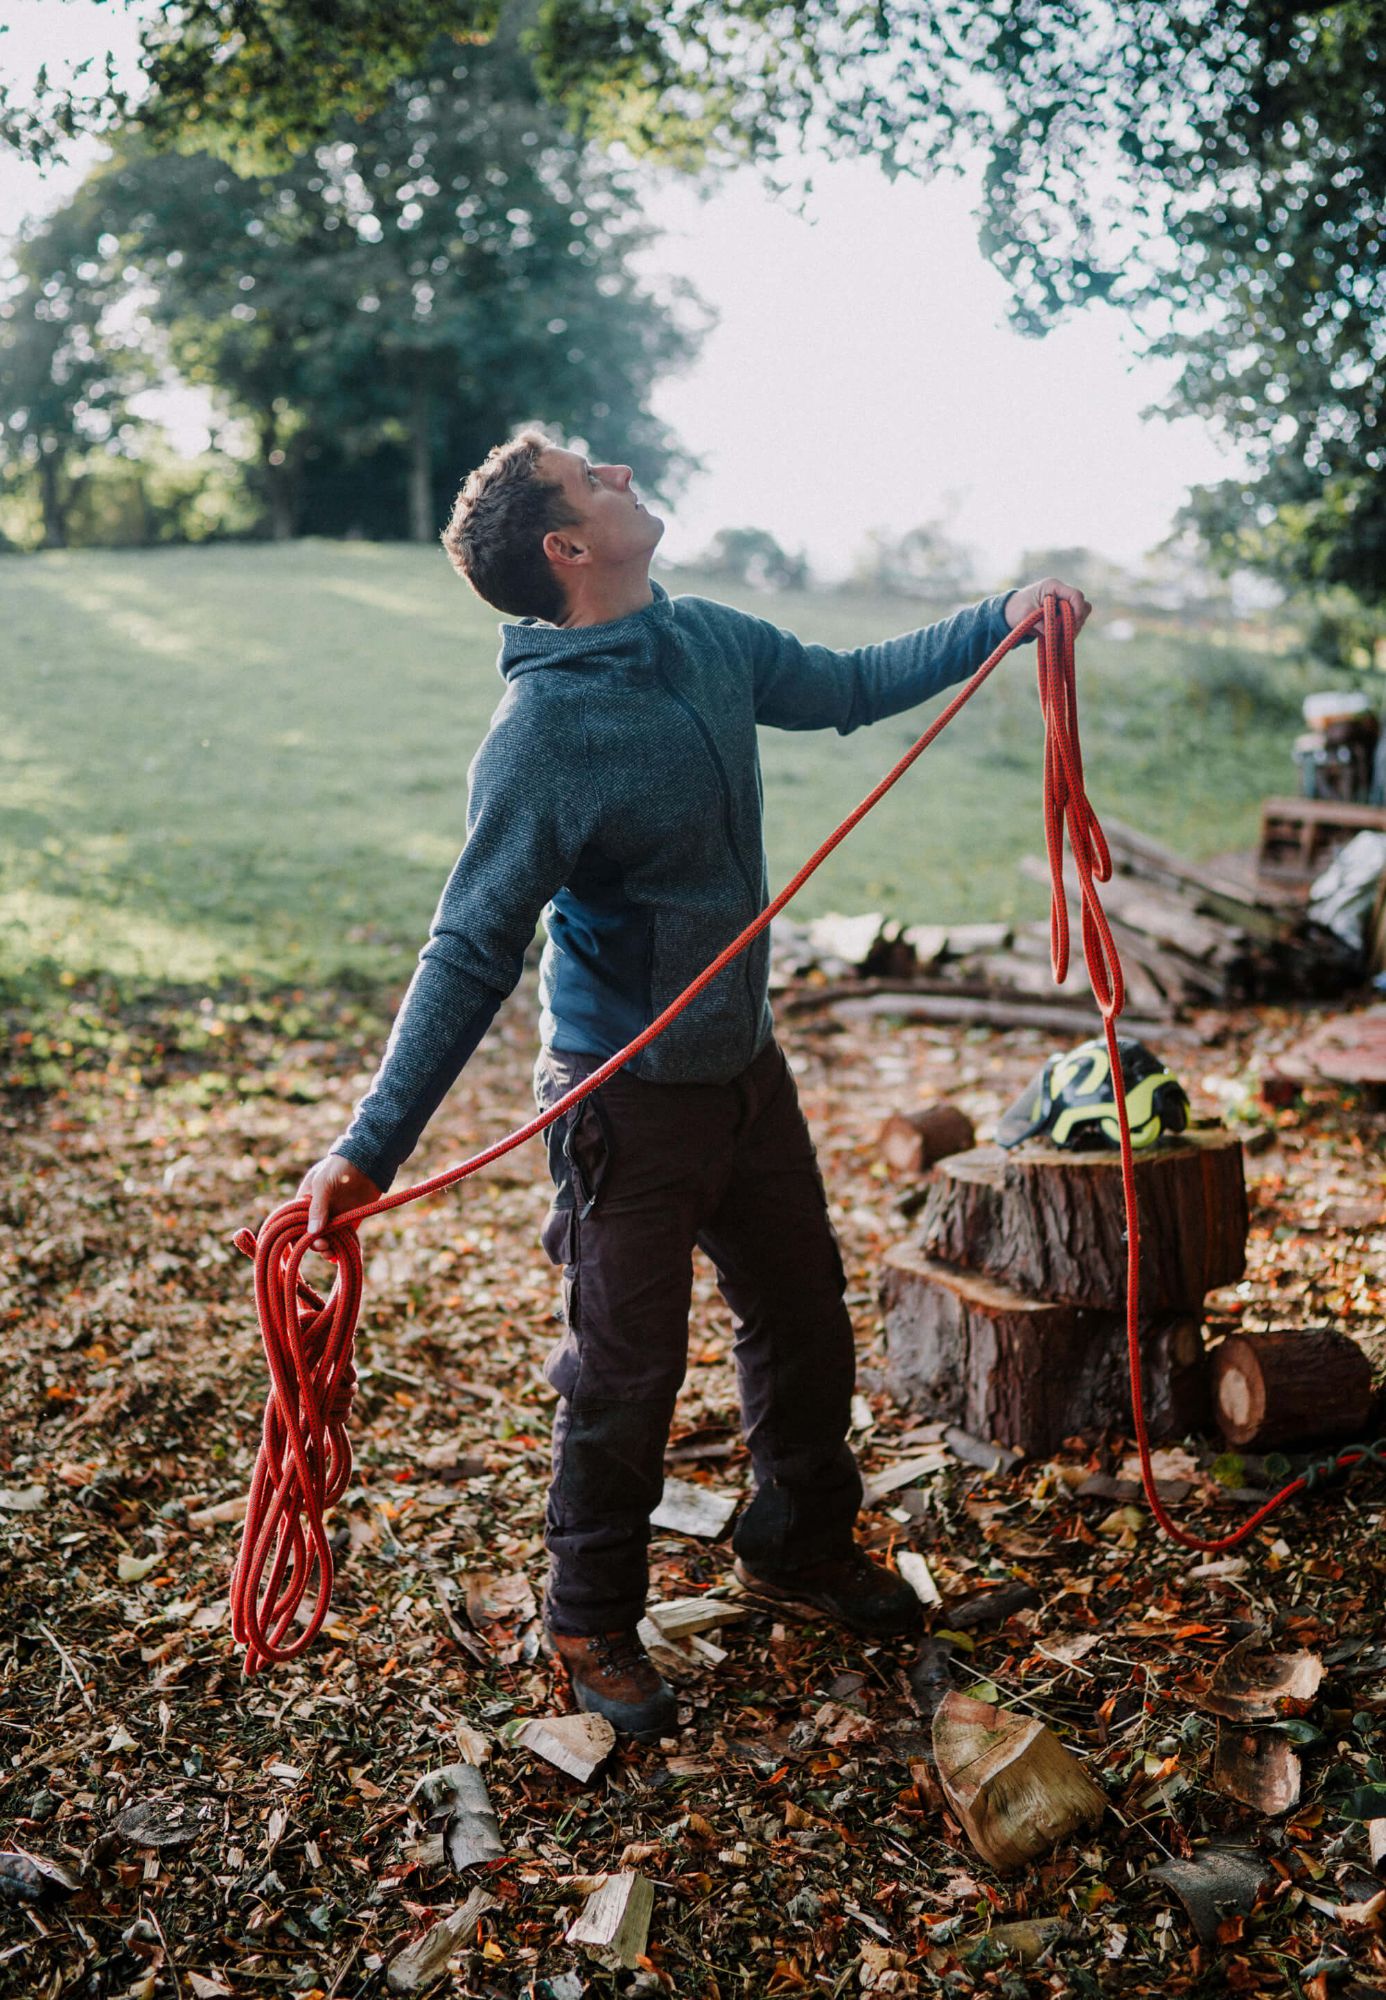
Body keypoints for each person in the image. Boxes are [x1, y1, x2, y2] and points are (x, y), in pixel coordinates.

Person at [298, 430, 1092, 1738]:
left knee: (802, 1318)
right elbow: (470, 946)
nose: (613, 467)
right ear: (565, 549)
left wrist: (998, 622)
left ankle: (794, 1544)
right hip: (627, 1104)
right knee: (625, 1370)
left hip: (744, 1072)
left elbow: (844, 683)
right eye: (584, 474)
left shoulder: (708, 640)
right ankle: (589, 1613)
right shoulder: (542, 734)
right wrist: (367, 1147)